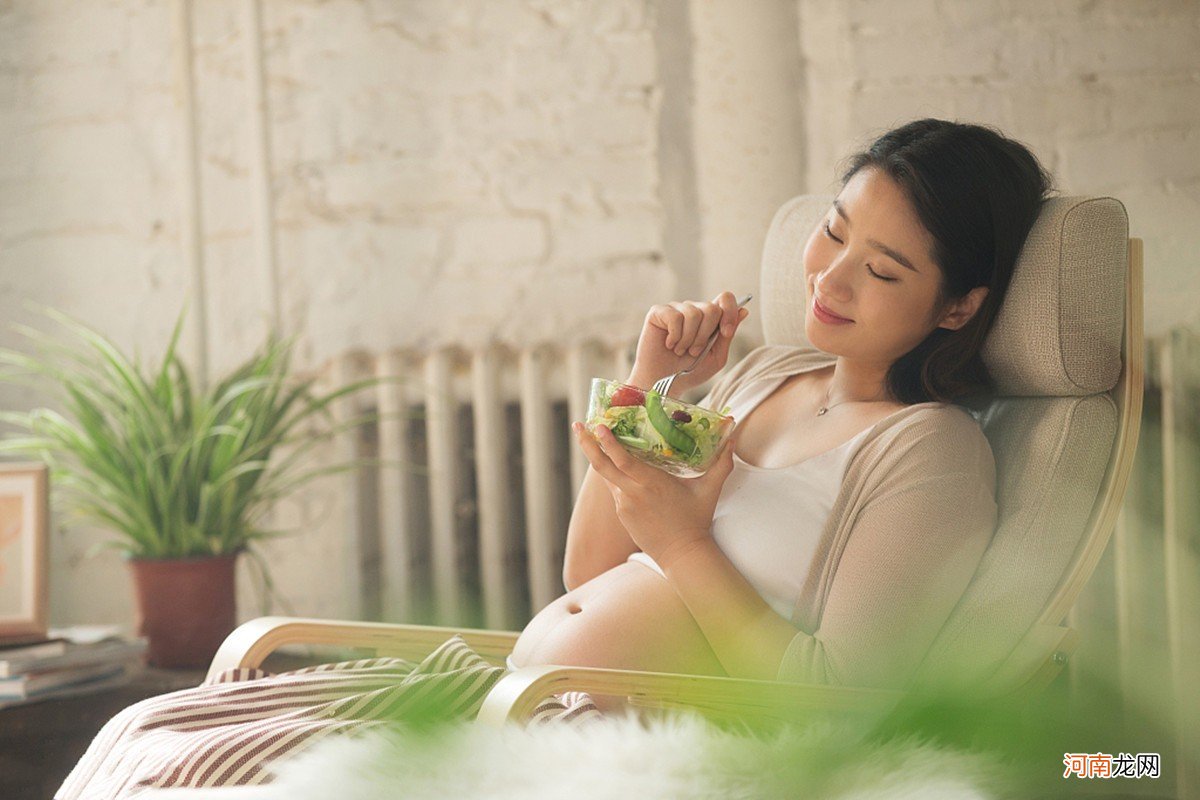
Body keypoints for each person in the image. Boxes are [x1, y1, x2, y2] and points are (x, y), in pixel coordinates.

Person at [58, 118, 1053, 798]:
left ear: (959, 305)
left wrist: (688, 542)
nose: (831, 277)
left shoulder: (929, 449)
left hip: (627, 730)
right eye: (834, 235)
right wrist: (647, 388)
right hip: (507, 690)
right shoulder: (767, 379)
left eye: (881, 268)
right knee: (156, 740)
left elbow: (845, 693)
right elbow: (590, 574)